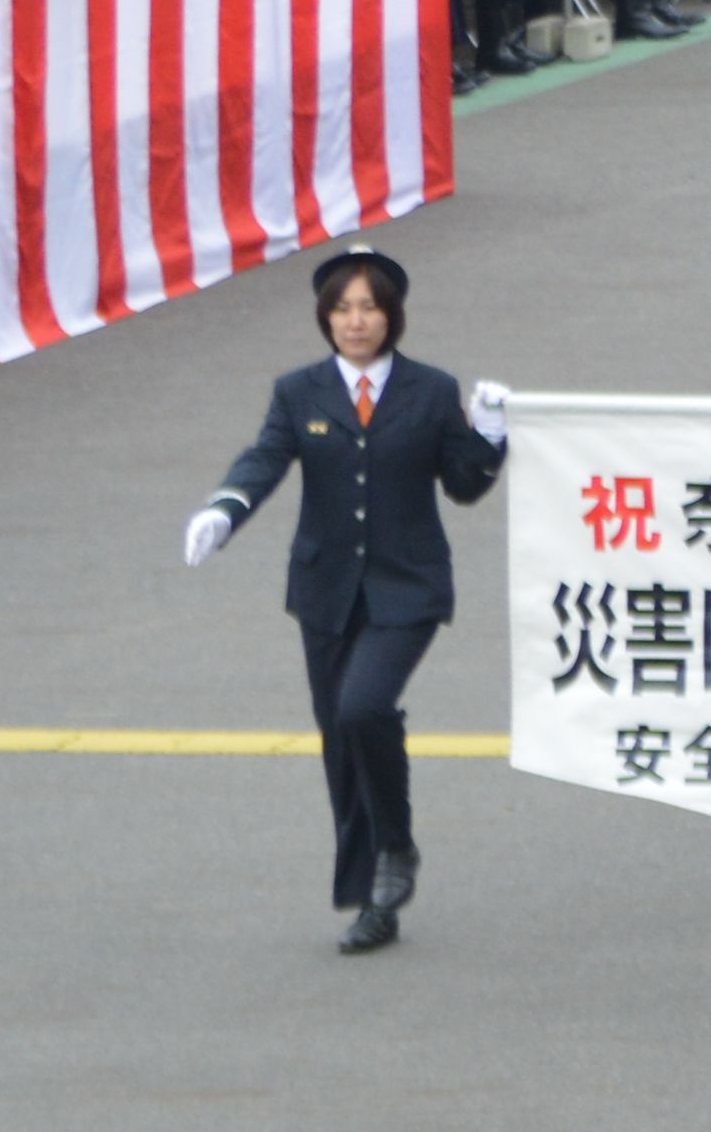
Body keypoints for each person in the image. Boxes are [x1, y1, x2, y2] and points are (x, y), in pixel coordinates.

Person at [183, 243, 507, 955]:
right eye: (342, 308)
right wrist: (225, 509)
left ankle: (396, 849)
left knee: (364, 708)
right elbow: (266, 457)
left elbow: (464, 483)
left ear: (392, 316)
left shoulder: (428, 390)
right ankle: (372, 901)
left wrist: (488, 434)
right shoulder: (300, 392)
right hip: (326, 588)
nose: (356, 321)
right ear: (325, 318)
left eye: (369, 307)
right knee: (341, 738)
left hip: (407, 587)